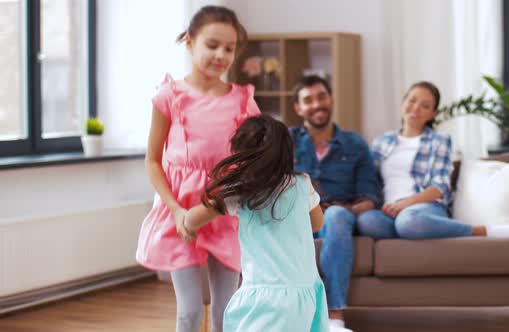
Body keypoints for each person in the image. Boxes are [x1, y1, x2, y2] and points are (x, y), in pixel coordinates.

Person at [135, 6, 260, 332]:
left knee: (226, 312)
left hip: (224, 210)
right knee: (189, 313)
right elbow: (152, 160)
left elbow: (255, 158)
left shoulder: (243, 101)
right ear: (190, 42)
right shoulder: (169, 96)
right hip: (179, 212)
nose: (221, 55)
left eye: (229, 49)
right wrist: (176, 211)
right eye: (212, 45)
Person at [177, 114, 330, 332]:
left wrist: (184, 220)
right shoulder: (302, 184)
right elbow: (317, 223)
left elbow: (193, 219)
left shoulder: (240, 193)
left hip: (264, 299)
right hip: (304, 296)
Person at [359, 81, 509, 240]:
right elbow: (370, 181)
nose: (415, 108)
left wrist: (404, 204)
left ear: (433, 114)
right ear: (403, 102)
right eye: (412, 100)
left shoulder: (439, 140)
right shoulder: (381, 142)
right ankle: (414, 231)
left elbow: (439, 188)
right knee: (366, 222)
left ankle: (478, 230)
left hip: (424, 208)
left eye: (425, 106)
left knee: (408, 221)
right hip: (388, 210)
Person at [290, 75, 378, 332]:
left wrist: (341, 209)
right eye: (308, 100)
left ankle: (334, 317)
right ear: (298, 108)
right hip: (298, 217)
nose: (317, 104)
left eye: (321, 97)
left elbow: (369, 198)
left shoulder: (355, 144)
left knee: (337, 215)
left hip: (338, 219)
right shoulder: (287, 141)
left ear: (331, 100)